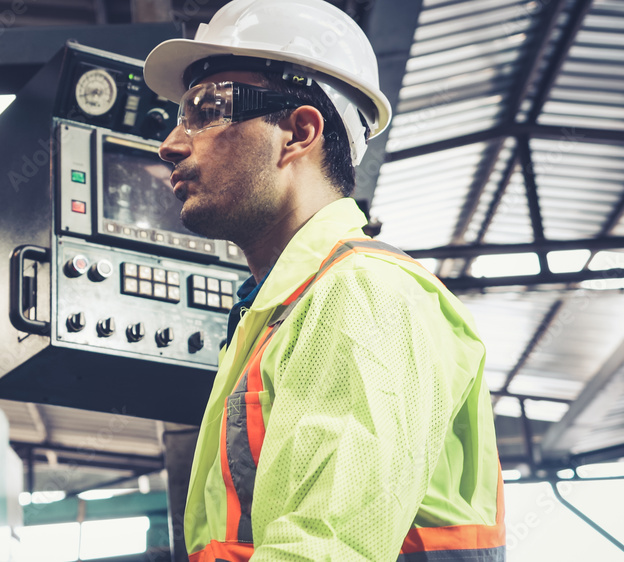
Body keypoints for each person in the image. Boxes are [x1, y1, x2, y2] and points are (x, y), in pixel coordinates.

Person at [143, 1, 506, 560]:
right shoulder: (282, 312)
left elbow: (324, 550)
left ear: (298, 132)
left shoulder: (364, 295)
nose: (170, 144)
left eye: (206, 109)